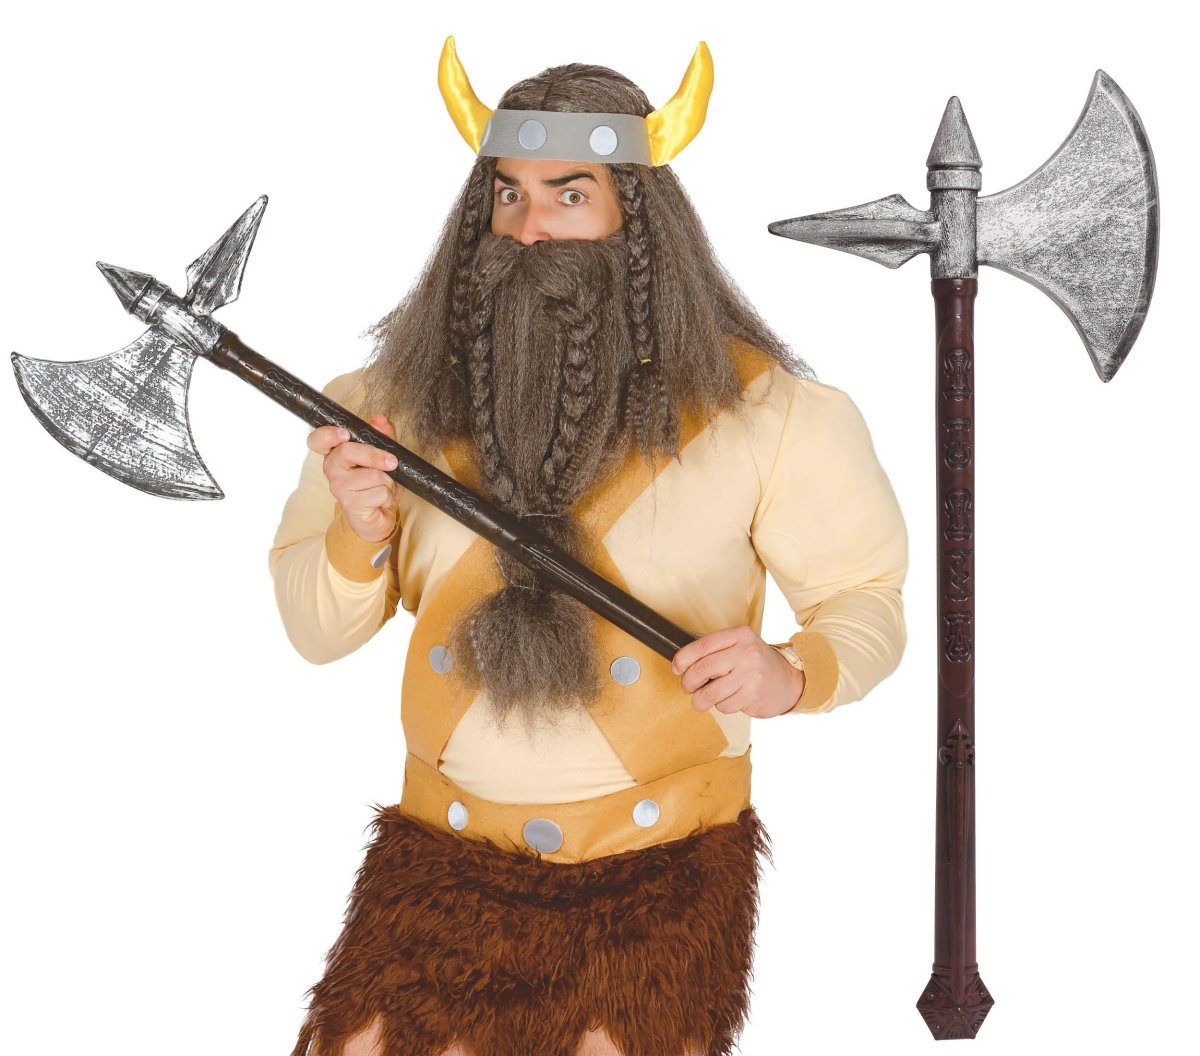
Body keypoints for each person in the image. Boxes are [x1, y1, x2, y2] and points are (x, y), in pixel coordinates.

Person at [270, 38, 908, 1056]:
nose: (528, 230)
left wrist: (793, 673)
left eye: (570, 196)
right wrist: (360, 529)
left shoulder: (772, 415)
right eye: (509, 195)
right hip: (438, 859)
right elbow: (315, 633)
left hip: (660, 877)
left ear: (636, 219)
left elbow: (864, 598)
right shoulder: (383, 410)